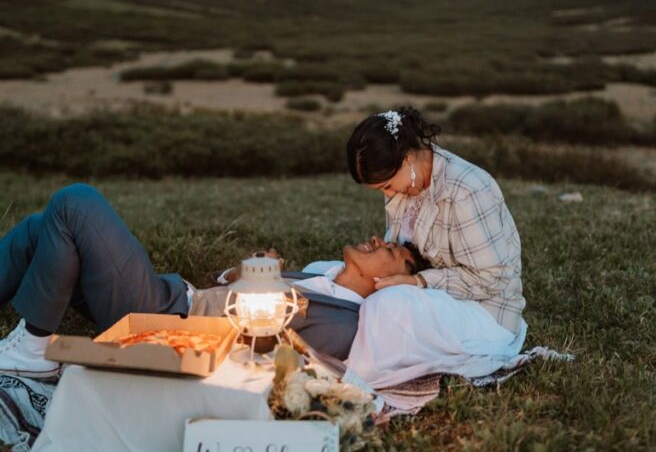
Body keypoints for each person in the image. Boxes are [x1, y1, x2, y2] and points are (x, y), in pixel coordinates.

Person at [0, 184, 428, 377]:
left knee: (77, 203)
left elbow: (285, 357)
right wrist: (241, 272)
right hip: (169, 294)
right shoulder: (321, 276)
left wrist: (268, 300)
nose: (378, 240)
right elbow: (221, 286)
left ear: (388, 283)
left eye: (393, 251)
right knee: (43, 227)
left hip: (166, 321)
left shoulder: (347, 320)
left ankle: (34, 345)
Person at [346, 106, 526, 339]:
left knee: (380, 322)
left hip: (486, 313)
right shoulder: (405, 181)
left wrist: (418, 281)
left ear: (407, 158)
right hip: (430, 299)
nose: (389, 194)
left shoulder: (465, 190)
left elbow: (493, 278)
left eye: (387, 186)